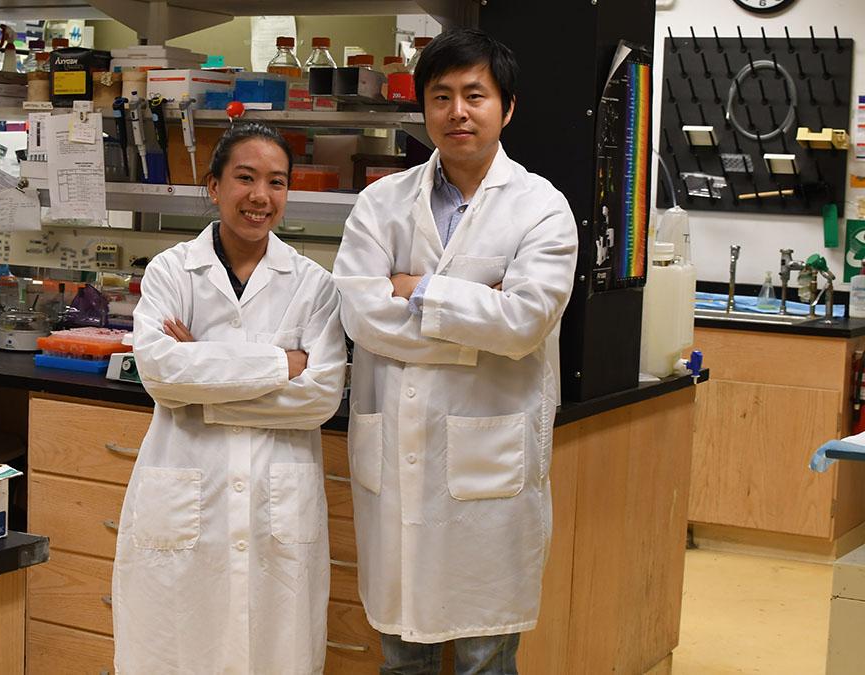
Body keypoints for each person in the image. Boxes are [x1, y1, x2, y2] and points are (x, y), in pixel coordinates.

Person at [332, 28, 579, 674]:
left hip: (487, 478)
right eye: (441, 97)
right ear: (424, 109)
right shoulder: (380, 204)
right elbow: (361, 313)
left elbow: (523, 323)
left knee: (484, 656)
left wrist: (416, 290)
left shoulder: (541, 210)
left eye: (476, 95)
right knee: (400, 652)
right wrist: (478, 318)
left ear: (508, 107)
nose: (458, 112)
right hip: (397, 470)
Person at [112, 122, 347, 674]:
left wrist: (205, 386)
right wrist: (279, 364)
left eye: (277, 182)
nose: (260, 197)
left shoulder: (313, 285)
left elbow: (320, 398)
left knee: (274, 653)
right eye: (245, 178)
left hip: (278, 500)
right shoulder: (173, 270)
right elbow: (162, 373)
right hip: (186, 490)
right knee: (176, 648)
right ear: (213, 186)